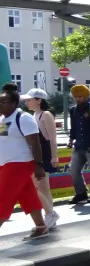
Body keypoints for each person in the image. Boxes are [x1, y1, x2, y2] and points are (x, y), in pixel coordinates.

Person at [0, 85, 49, 240]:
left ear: (15, 103)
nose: (0, 105)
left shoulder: (23, 118)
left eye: (4, 102)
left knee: (3, 197)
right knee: (27, 195)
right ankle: (41, 227)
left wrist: (39, 166)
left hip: (20, 163)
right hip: (7, 163)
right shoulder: (4, 119)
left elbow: (35, 143)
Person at [22, 89, 59, 230]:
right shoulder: (34, 115)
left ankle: (50, 216)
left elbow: (52, 138)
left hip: (45, 152)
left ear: (39, 100)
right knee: (42, 187)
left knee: (43, 187)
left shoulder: (46, 115)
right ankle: (50, 215)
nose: (27, 102)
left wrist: (54, 156)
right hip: (37, 152)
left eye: (30, 100)